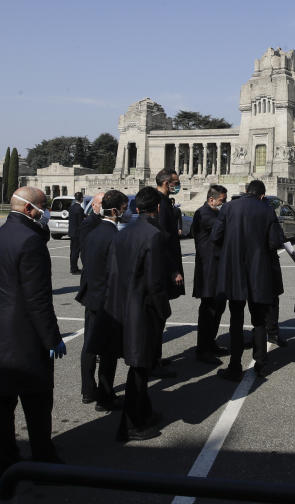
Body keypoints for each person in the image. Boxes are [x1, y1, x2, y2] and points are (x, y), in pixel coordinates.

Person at [0, 186, 67, 480]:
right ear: (30, 209)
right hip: (24, 336)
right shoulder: (30, 241)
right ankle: (42, 458)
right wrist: (52, 338)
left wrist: (0, 304)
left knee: (1, 403)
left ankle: (5, 461)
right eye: (44, 207)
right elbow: (38, 299)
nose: (46, 212)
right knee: (37, 402)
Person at [105, 187, 172, 442]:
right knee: (140, 369)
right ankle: (131, 425)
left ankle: (144, 413)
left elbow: (112, 272)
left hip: (121, 307)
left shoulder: (122, 233)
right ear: (157, 208)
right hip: (143, 310)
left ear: (136, 208)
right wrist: (163, 309)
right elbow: (155, 282)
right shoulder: (154, 235)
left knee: (139, 367)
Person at [211, 179, 285, 381]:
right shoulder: (267, 210)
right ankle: (260, 363)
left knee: (236, 320)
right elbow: (274, 242)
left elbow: (215, 236)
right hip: (258, 271)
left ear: (246, 191)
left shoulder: (228, 207)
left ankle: (234, 366)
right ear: (261, 195)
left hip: (234, 271)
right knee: (259, 319)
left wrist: (228, 252)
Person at [76, 190, 127, 412]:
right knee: (108, 350)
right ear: (115, 210)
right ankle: (105, 396)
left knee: (89, 345)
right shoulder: (115, 237)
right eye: (124, 208)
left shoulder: (93, 232)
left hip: (92, 296)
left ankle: (88, 390)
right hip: (108, 299)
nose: (126, 212)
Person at [191, 184, 229, 364]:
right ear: (211, 200)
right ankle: (202, 349)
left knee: (218, 308)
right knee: (208, 311)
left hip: (217, 267)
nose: (225, 203)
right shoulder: (204, 214)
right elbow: (221, 230)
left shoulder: (214, 213)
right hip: (208, 269)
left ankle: (210, 343)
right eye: (223, 201)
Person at [154, 168, 185, 298]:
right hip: (164, 265)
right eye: (176, 182)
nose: (178, 185)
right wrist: (173, 270)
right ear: (167, 184)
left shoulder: (163, 200)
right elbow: (163, 237)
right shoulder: (161, 202)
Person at [68, 192, 85, 275]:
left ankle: (72, 267)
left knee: (72, 251)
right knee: (76, 252)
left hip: (72, 232)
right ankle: (74, 269)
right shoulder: (80, 209)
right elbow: (81, 223)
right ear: (81, 198)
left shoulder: (71, 207)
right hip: (77, 233)